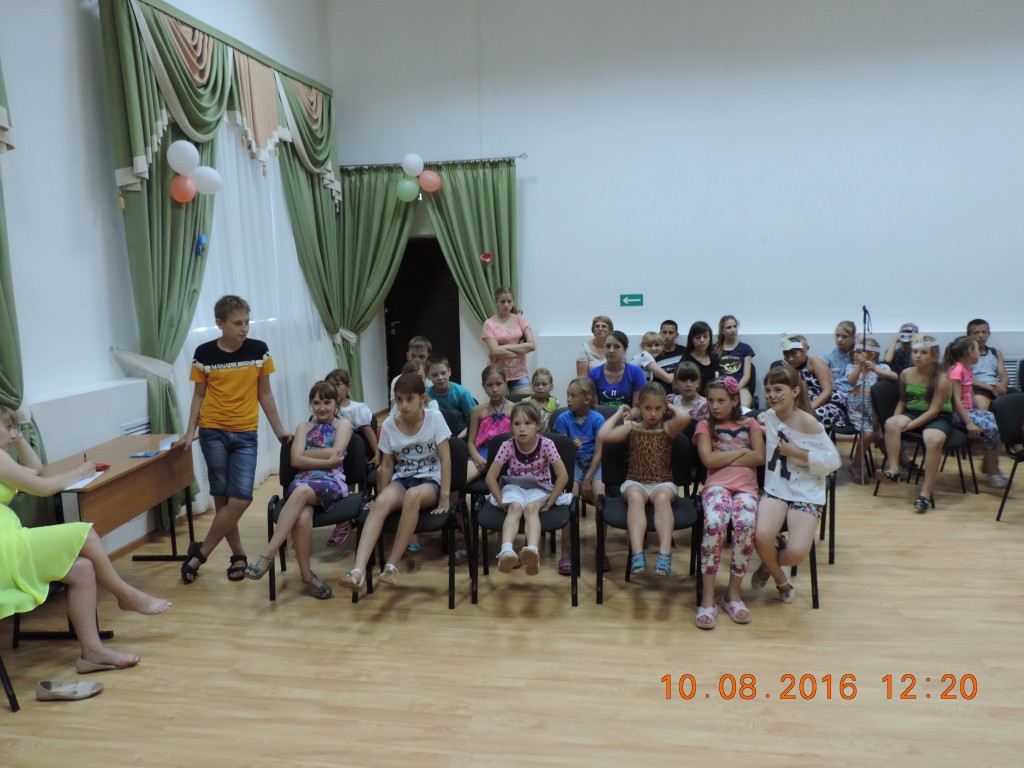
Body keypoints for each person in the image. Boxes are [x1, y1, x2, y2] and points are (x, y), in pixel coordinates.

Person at [0, 405, 171, 671]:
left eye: (13, 428)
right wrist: (82, 471)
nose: (13, 434)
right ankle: (125, 595)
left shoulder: (3, 458)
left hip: (11, 541)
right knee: (84, 533)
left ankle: (92, 653)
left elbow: (35, 469)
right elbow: (44, 487)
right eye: (7, 428)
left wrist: (17, 434)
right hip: (5, 547)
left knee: (82, 569)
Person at [177, 295, 290, 585]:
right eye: (237, 323)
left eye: (247, 322)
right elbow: (198, 395)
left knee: (240, 498)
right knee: (222, 496)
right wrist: (189, 432)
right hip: (212, 431)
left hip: (245, 433)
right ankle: (237, 554)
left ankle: (200, 553)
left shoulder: (259, 350)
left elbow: (265, 393)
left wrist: (279, 430)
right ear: (220, 324)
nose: (244, 328)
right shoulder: (204, 353)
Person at [243, 382, 351, 599]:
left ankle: (268, 554)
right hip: (303, 479)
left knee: (301, 492)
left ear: (336, 404)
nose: (322, 408)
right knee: (302, 518)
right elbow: (295, 460)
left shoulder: (344, 424)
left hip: (331, 480)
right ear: (310, 404)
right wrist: (325, 459)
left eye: (327, 402)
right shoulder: (303, 427)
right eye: (316, 403)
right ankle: (307, 577)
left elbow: (337, 453)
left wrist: (306, 456)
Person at [345, 373, 451, 587]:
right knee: (382, 502)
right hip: (403, 479)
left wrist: (445, 498)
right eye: (399, 399)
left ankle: (391, 567)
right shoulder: (389, 425)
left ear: (422, 398)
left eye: (409, 399)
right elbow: (386, 465)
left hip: (430, 481)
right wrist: (381, 496)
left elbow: (445, 459)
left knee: (412, 495)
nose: (403, 405)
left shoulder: (434, 418)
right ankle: (357, 571)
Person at [752, 366, 840, 603]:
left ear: (795, 391)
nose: (771, 395)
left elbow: (833, 461)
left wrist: (797, 453)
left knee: (797, 551)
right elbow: (765, 425)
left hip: (806, 491)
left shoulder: (809, 423)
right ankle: (782, 581)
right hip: (776, 487)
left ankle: (768, 564)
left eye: (778, 389)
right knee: (761, 536)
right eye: (768, 390)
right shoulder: (770, 416)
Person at [598, 383, 691, 577]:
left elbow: (685, 418)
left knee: (662, 499)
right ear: (639, 407)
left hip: (662, 482)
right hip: (636, 482)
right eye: (648, 408)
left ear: (664, 407)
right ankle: (637, 554)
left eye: (658, 408)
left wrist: (670, 405)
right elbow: (603, 435)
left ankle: (664, 554)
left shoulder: (668, 428)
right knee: (635, 498)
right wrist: (619, 414)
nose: (653, 413)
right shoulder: (631, 428)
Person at [693, 378, 765, 629]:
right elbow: (708, 460)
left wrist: (723, 457)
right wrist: (742, 452)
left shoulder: (751, 424)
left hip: (746, 488)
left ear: (735, 401)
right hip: (717, 486)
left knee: (745, 526)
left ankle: (732, 595)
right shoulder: (704, 425)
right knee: (714, 524)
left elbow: (759, 456)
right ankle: (708, 598)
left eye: (721, 401)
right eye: (710, 400)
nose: (714, 406)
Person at [487, 402, 571, 575]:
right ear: (511, 426)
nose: (522, 429)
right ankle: (506, 551)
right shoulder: (507, 445)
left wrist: (550, 502)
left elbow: (563, 476)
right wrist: (501, 501)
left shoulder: (547, 444)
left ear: (538, 425)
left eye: (527, 423)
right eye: (517, 424)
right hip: (514, 486)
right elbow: (490, 478)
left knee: (531, 508)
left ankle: (532, 552)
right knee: (515, 507)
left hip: (540, 487)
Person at [875, 335, 954, 513]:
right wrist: (895, 421)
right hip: (914, 411)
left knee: (933, 439)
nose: (918, 356)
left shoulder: (942, 379)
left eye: (924, 352)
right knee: (891, 423)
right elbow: (903, 400)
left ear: (934, 355)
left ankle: (925, 493)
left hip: (938, 416)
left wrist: (909, 427)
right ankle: (894, 470)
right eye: (915, 352)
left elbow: (934, 411)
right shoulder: (906, 374)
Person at [552, 377, 606, 575]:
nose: (568, 399)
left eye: (573, 396)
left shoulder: (598, 419)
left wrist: (589, 479)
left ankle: (601, 549)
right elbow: (557, 451)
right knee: (569, 499)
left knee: (601, 499)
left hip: (593, 463)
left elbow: (599, 453)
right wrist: (569, 447)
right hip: (572, 462)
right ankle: (566, 550)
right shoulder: (563, 419)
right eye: (568, 395)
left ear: (587, 399)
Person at [324, 368, 379, 547]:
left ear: (348, 386)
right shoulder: (326, 409)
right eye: (330, 385)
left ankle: (346, 520)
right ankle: (342, 520)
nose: (333, 388)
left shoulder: (356, 408)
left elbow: (369, 433)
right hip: (331, 457)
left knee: (347, 488)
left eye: (337, 384)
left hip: (353, 459)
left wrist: (377, 453)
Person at [944, 336, 1007, 488]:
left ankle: (989, 464)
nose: (979, 352)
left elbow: (970, 393)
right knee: (991, 429)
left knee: (998, 422)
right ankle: (992, 470)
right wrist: (969, 423)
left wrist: (980, 411)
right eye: (977, 349)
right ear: (970, 352)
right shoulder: (956, 371)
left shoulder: (968, 369)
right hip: (957, 415)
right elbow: (956, 400)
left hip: (970, 411)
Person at [844, 338, 896, 483]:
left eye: (860, 352)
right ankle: (856, 466)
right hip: (857, 411)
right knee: (868, 433)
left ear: (872, 355)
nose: (856, 354)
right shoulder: (851, 367)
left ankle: (895, 466)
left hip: (874, 412)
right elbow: (851, 382)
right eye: (855, 352)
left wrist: (875, 369)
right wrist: (860, 366)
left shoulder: (881, 368)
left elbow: (895, 377)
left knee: (881, 435)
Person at [780, 334, 848, 430]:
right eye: (787, 355)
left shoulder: (814, 362)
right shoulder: (790, 368)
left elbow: (827, 391)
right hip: (806, 406)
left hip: (830, 405)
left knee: (806, 420)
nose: (790, 358)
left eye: (794, 354)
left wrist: (808, 409)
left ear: (805, 350)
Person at [482, 285, 535, 394]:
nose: (506, 305)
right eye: (502, 301)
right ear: (496, 301)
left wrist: (504, 347)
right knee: (501, 404)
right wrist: (520, 351)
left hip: (519, 373)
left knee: (525, 402)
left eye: (509, 301)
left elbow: (531, 345)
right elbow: (495, 351)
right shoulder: (489, 323)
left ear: (513, 301)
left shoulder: (520, 319)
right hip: (497, 374)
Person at [467, 365, 515, 483]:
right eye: (489, 385)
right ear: (483, 387)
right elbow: (471, 442)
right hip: (484, 453)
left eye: (498, 384)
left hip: (510, 453)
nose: (494, 389)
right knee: (459, 478)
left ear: (505, 384)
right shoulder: (477, 411)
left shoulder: (516, 409)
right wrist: (476, 457)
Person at [588, 330, 647, 408]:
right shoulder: (594, 374)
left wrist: (621, 416)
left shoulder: (636, 373)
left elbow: (637, 408)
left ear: (625, 349)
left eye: (616, 347)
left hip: (629, 415)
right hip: (601, 416)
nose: (611, 350)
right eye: (608, 346)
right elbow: (594, 409)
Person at [426, 353, 477, 437]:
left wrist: (458, 438)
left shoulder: (462, 393)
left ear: (449, 371)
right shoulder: (426, 395)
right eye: (434, 375)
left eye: (443, 373)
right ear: (428, 376)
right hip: (435, 436)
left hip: (461, 436)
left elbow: (474, 424)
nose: (440, 378)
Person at [967, 319, 1009, 411]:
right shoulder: (965, 354)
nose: (980, 335)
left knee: (1018, 399)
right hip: (978, 388)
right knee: (981, 405)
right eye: (976, 333)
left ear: (989, 334)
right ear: (969, 335)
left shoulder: (996, 353)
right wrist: (990, 388)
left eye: (984, 332)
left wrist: (1002, 385)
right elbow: (966, 378)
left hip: (996, 387)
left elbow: (1004, 375)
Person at [715, 315, 756, 408]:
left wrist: (735, 389)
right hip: (720, 387)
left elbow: (747, 375)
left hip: (740, 387)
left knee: (743, 406)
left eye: (735, 326)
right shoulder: (715, 349)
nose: (733, 330)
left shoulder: (746, 348)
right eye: (729, 327)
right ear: (722, 330)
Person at [389, 336, 432, 404]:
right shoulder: (396, 381)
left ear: (428, 358)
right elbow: (393, 408)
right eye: (413, 356)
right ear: (407, 356)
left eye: (421, 357)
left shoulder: (432, 381)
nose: (417, 360)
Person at [681, 321, 720, 394]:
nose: (702, 340)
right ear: (691, 340)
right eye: (698, 337)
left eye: (705, 337)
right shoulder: (686, 360)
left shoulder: (714, 357)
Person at [823, 321, 857, 402]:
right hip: (837, 396)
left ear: (853, 338)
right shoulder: (827, 357)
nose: (839, 339)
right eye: (837, 335)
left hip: (856, 394)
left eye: (844, 336)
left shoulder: (858, 355)